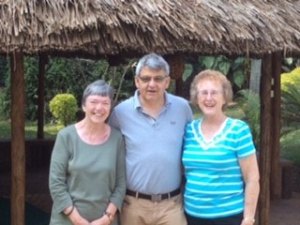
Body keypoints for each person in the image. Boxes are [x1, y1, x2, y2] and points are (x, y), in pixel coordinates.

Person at [109, 53, 193, 225]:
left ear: (167, 82)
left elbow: (193, 146)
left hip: (172, 206)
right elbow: (109, 154)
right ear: (137, 81)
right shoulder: (120, 113)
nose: (152, 84)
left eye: (158, 78)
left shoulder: (182, 108)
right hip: (133, 206)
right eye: (146, 79)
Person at [182, 69, 260, 225]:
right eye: (203, 93)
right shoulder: (188, 130)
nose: (208, 98)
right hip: (191, 216)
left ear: (224, 98)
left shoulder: (238, 130)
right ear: (196, 98)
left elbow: (252, 178)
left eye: (214, 93)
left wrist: (248, 218)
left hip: (228, 216)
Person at [49, 80, 126, 225]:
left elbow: (121, 184)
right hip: (67, 220)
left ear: (110, 107)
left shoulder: (117, 139)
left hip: (105, 220)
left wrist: (107, 217)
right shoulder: (66, 137)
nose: (99, 108)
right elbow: (56, 182)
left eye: (105, 103)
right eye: (94, 102)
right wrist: (77, 219)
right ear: (84, 105)